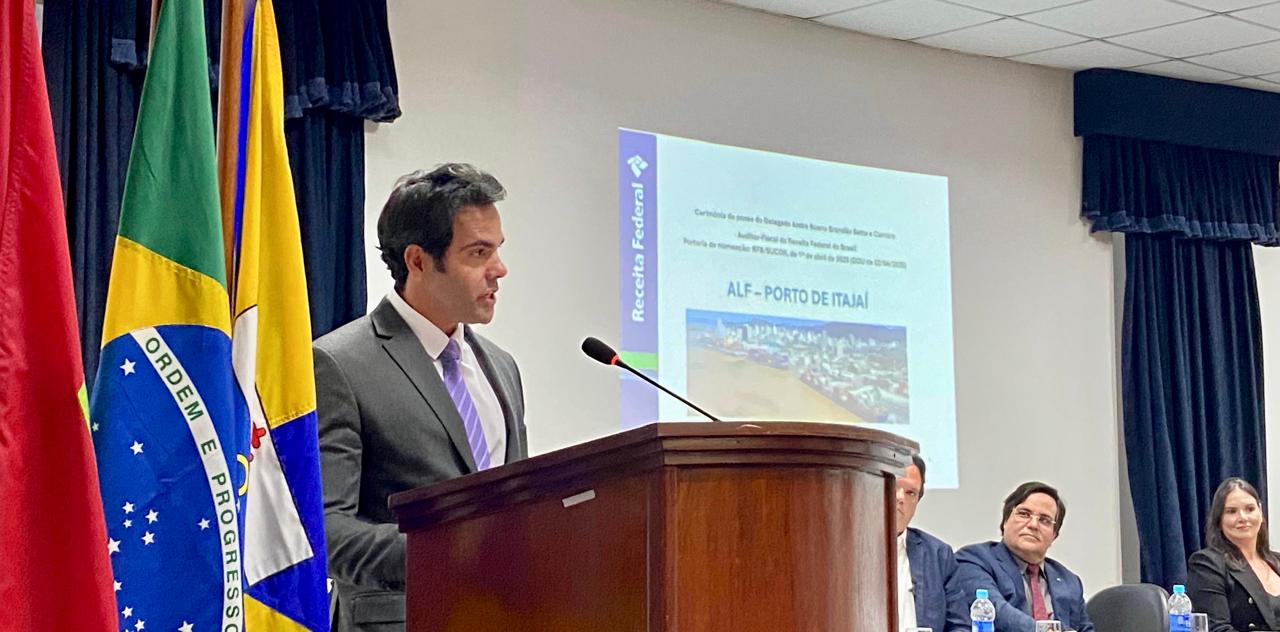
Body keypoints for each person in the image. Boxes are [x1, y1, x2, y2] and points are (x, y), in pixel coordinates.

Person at [313, 164, 528, 632]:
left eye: (498, 249)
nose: (499, 269)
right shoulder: (339, 364)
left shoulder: (502, 367)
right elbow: (325, 529)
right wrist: (448, 552)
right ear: (418, 260)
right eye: (478, 253)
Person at [948, 482, 1094, 632]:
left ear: (1054, 535)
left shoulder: (1069, 581)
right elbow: (996, 613)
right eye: (1024, 514)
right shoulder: (975, 560)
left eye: (1044, 520)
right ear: (1005, 521)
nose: (1033, 525)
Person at [1187, 477, 1280, 631]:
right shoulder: (1206, 564)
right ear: (1219, 520)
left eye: (1250, 509)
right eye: (1231, 511)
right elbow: (1217, 628)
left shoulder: (1277, 560)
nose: (1242, 517)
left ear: (1260, 513)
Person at [896, 454, 960, 632]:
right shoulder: (844, 551)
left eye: (911, 493)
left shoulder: (938, 555)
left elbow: (960, 625)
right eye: (894, 486)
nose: (900, 498)